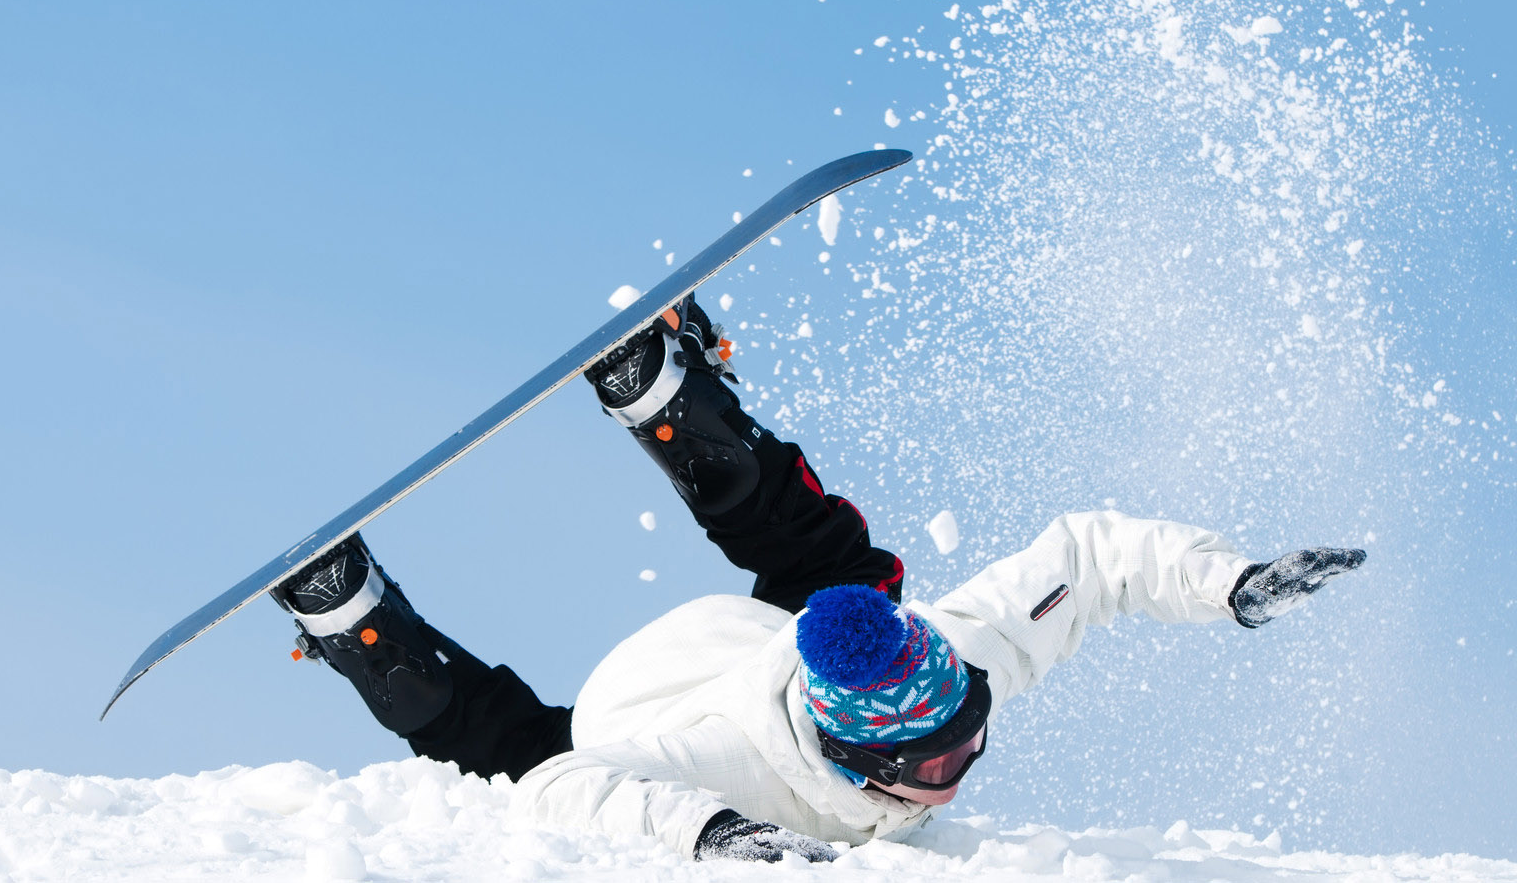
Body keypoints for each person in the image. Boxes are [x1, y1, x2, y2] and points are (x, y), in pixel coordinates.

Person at [271, 296, 1366, 863]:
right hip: (646, 717)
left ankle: (670, 400)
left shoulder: (943, 662)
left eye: (965, 729)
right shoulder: (708, 768)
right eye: (934, 758)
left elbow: (1083, 560)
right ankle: (364, 632)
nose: (958, 764)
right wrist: (706, 833)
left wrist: (1229, 583)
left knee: (847, 583)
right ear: (858, 754)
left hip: (744, 655)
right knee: (520, 757)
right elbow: (566, 794)